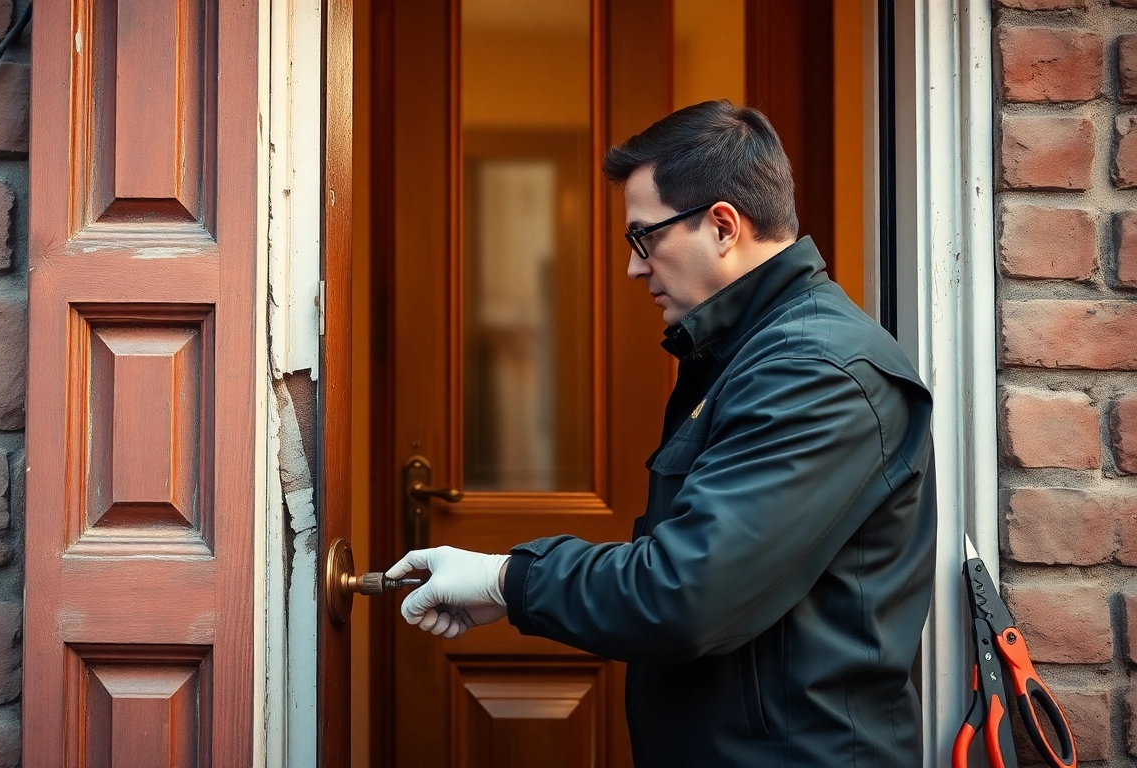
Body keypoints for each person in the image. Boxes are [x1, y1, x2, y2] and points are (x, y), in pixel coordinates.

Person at [385, 100, 936, 767]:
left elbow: (687, 593)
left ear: (723, 226)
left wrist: (509, 580)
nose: (635, 268)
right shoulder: (748, 356)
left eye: (644, 238)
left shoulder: (817, 371)